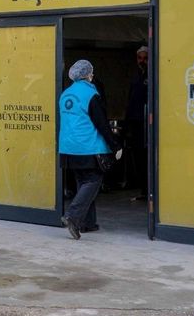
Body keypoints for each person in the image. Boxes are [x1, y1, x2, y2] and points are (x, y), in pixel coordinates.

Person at [58, 59, 120, 240]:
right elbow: (101, 123)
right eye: (91, 73)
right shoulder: (91, 94)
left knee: (82, 182)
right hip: (87, 147)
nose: (92, 75)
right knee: (93, 181)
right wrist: (115, 144)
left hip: (68, 148)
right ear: (86, 75)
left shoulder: (65, 94)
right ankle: (73, 216)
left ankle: (87, 223)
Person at [125, 45, 149, 202]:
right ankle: (144, 190)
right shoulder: (135, 76)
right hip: (136, 122)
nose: (142, 61)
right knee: (139, 159)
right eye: (140, 58)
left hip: (147, 123)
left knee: (148, 158)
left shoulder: (152, 75)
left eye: (145, 58)